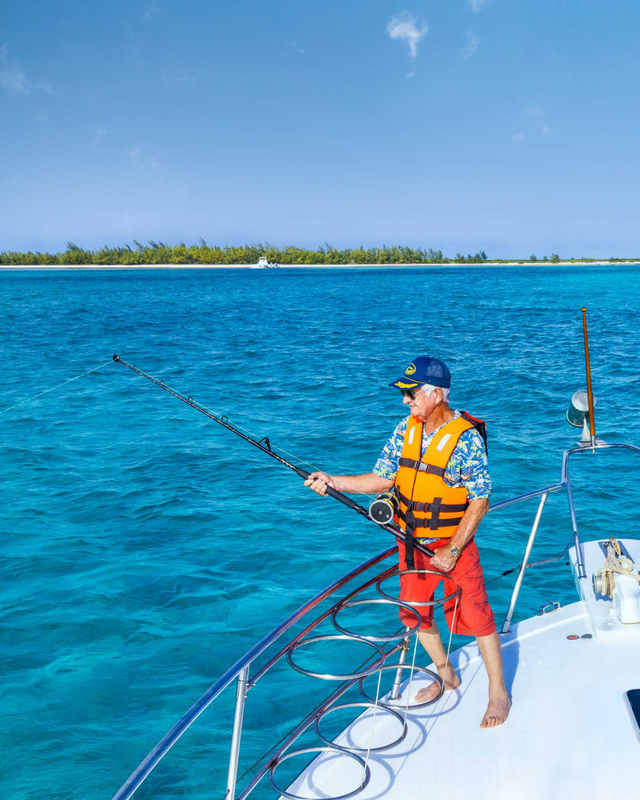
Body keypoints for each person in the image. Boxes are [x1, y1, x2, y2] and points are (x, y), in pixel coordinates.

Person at [304, 356, 511, 728]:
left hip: (452, 545)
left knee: (478, 616)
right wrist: (332, 480)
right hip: (410, 542)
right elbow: (382, 478)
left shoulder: (465, 439)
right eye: (405, 393)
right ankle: (447, 675)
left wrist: (452, 549)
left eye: (411, 393)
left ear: (435, 394)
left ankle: (499, 692)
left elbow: (480, 500)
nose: (406, 400)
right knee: (414, 613)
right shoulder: (406, 429)